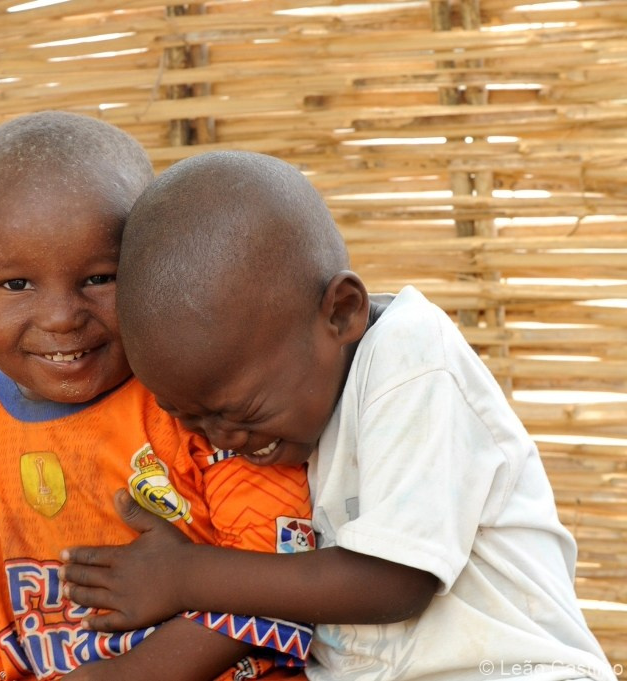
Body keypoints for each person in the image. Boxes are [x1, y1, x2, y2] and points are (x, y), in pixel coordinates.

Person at [59, 150, 617, 681]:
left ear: (342, 313)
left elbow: (394, 584)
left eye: (241, 412)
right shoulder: (298, 401)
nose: (222, 437)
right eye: (188, 416)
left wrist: (184, 577)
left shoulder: (413, 362)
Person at [0, 114, 316, 681]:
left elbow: (283, 574)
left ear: (148, 273)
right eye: (17, 284)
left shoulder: (197, 396)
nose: (62, 318)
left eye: (99, 278)